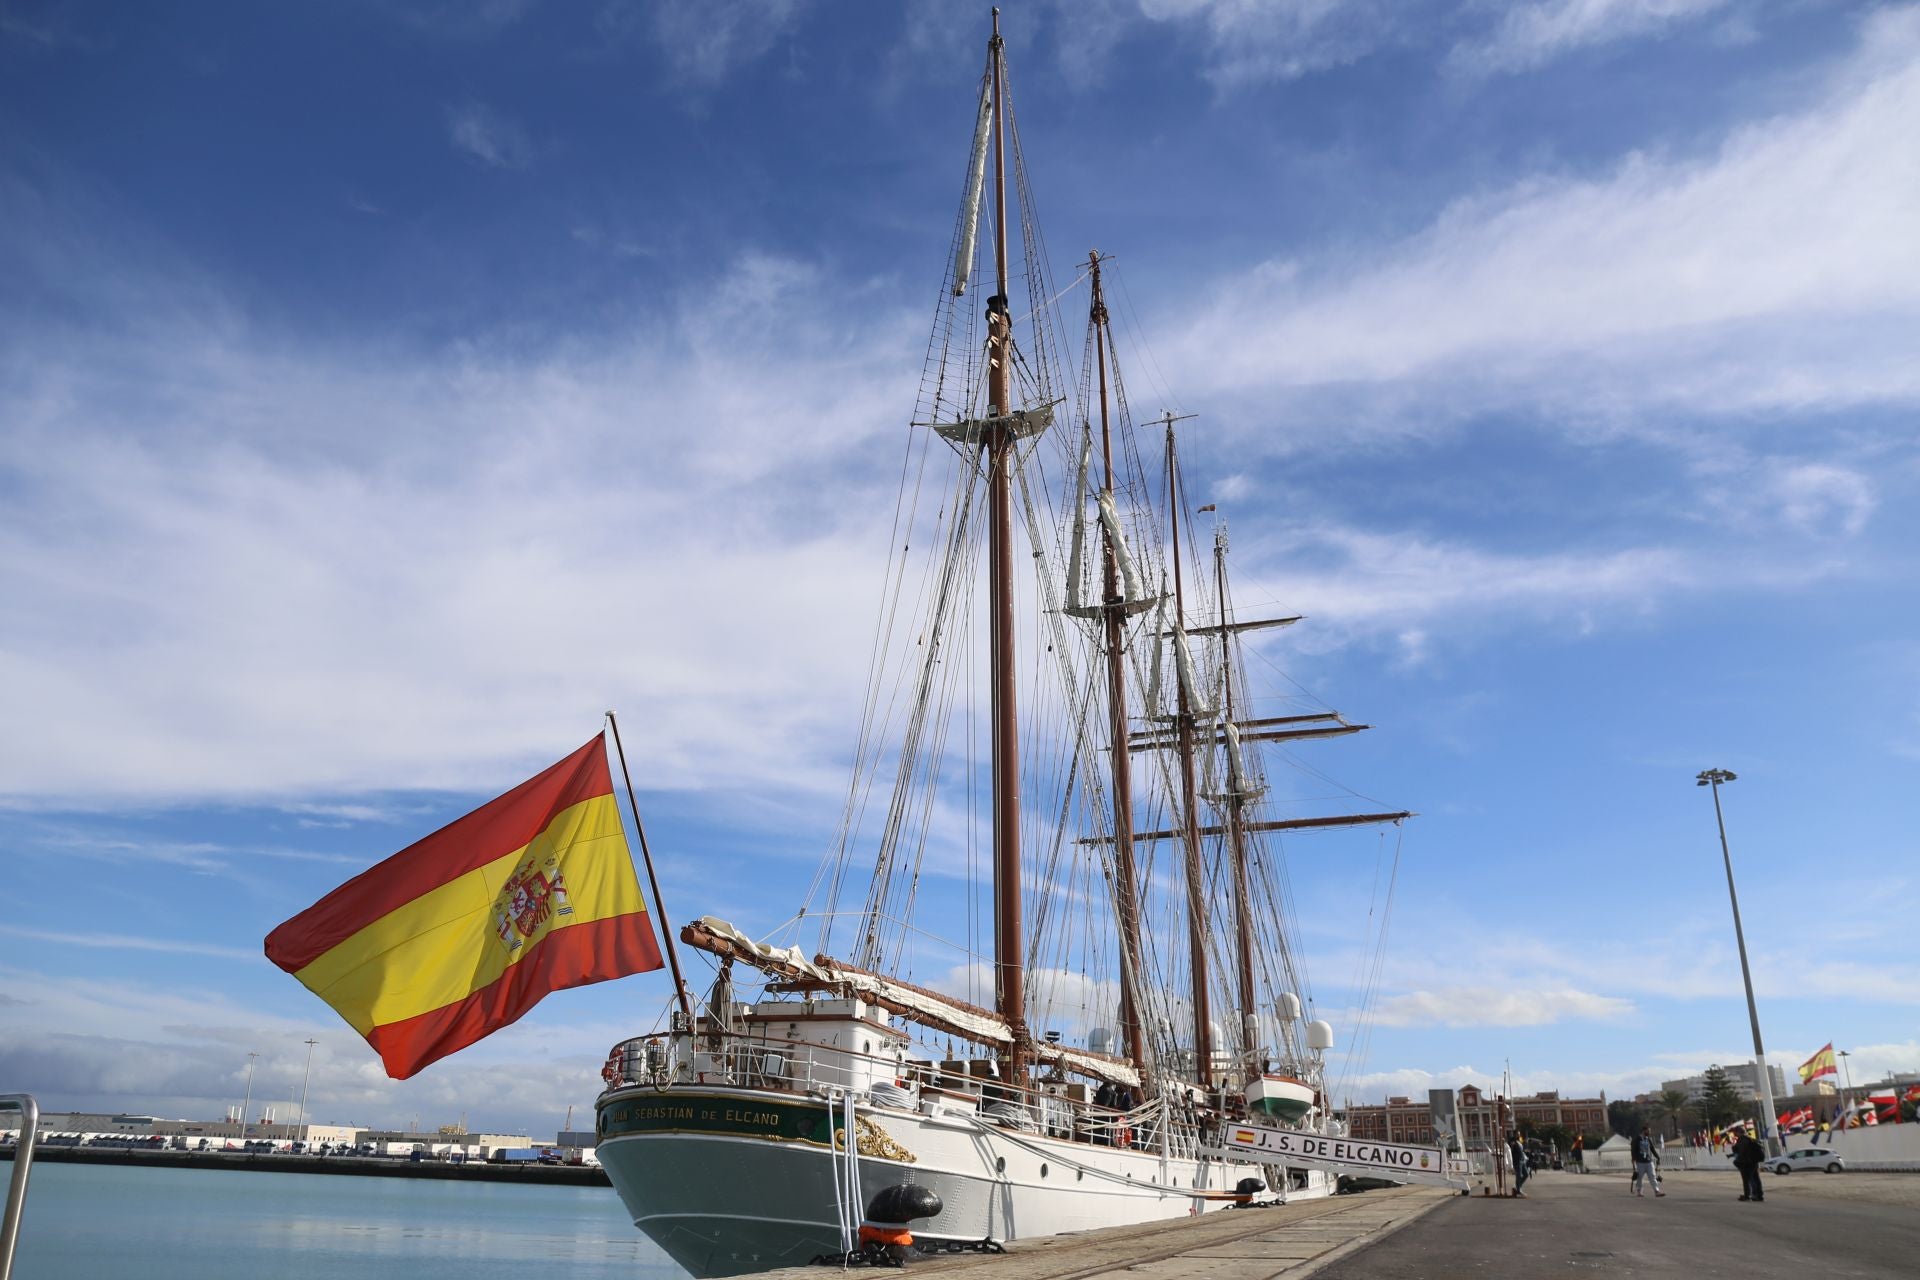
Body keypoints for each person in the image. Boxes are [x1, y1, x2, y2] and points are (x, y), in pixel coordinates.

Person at [1731, 1129, 1766, 1202]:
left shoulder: (1742, 1140)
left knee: (1748, 1179)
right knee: (1756, 1178)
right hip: (1754, 1161)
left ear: (1739, 1132)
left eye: (1735, 1132)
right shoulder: (1750, 1138)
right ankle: (1759, 1195)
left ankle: (1750, 1195)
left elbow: (1741, 1152)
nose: (1735, 1134)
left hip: (1746, 1163)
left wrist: (1737, 1161)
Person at [1630, 1125, 1665, 1197]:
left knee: (1652, 1176)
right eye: (1648, 1131)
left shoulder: (1648, 1139)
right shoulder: (1637, 1139)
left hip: (1649, 1161)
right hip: (1640, 1162)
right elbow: (1633, 1149)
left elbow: (1652, 1149)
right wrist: (1633, 1158)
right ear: (1644, 1130)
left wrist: (1658, 1157)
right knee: (1640, 1177)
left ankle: (1656, 1191)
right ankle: (1639, 1191)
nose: (1649, 1132)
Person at [1506, 1132, 1529, 1197]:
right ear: (1514, 1134)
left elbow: (1521, 1150)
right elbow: (1510, 1146)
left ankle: (1517, 1187)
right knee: (1519, 1176)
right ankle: (1518, 1190)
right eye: (1517, 1134)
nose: (1518, 1135)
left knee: (1526, 1174)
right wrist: (1512, 1143)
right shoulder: (1512, 1141)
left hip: (1522, 1160)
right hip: (1517, 1161)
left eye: (1519, 1134)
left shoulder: (1520, 1141)